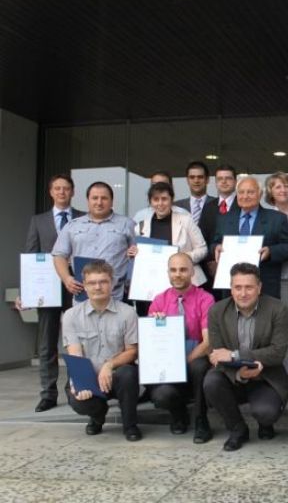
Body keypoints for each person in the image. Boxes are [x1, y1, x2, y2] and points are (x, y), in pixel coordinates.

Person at [203, 263, 288, 451]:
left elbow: (277, 352)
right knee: (211, 382)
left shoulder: (278, 309)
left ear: (259, 288)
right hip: (232, 376)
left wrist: (234, 355)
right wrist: (239, 373)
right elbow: (217, 355)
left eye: (249, 287)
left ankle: (265, 423)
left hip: (266, 376)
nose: (243, 293)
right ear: (231, 288)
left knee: (266, 413)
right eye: (238, 287)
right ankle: (237, 429)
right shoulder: (217, 311)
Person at [18, 174, 84, 412]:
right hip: (46, 288)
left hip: (77, 285)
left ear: (73, 192)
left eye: (66, 188)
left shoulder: (83, 218)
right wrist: (26, 291)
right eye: (57, 188)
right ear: (51, 192)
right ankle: (48, 393)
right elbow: (31, 255)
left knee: (78, 340)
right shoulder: (38, 221)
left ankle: (75, 388)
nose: (62, 192)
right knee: (47, 343)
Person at [62, 261, 141, 441]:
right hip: (88, 374)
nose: (98, 287)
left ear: (112, 283)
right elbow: (75, 354)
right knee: (79, 401)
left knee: (129, 373)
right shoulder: (71, 316)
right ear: (84, 285)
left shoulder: (128, 313)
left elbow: (132, 352)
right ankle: (98, 416)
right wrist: (80, 383)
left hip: (117, 374)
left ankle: (130, 425)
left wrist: (109, 365)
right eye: (92, 283)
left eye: (103, 281)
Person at [146, 253, 215, 443]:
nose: (178, 274)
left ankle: (201, 420)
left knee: (199, 366)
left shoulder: (205, 299)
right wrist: (155, 326)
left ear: (192, 272)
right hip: (167, 365)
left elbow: (208, 342)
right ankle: (178, 414)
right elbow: (152, 343)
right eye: (173, 270)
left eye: (183, 270)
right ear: (168, 272)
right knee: (161, 395)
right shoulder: (159, 300)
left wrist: (184, 362)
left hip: (194, 359)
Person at [212, 175, 288, 300]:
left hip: (265, 285)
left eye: (250, 192)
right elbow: (214, 243)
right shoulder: (224, 219)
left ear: (260, 194)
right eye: (241, 192)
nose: (245, 196)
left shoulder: (277, 218)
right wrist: (216, 248)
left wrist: (271, 252)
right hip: (232, 286)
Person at [52, 181, 136, 301]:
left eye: (104, 198)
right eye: (95, 198)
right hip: (83, 296)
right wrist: (67, 278)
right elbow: (59, 255)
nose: (99, 202)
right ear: (88, 201)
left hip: (115, 296)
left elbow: (139, 255)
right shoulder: (72, 226)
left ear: (112, 201)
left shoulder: (127, 224)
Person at [135, 182, 208, 287]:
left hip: (186, 281)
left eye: (164, 199)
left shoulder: (186, 220)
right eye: (156, 199)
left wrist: (183, 258)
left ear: (171, 200)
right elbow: (138, 256)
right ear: (150, 202)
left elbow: (202, 249)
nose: (160, 203)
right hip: (154, 281)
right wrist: (133, 252)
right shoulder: (141, 226)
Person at [262, 171, 288, 338]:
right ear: (270, 191)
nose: (283, 190)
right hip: (277, 277)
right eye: (277, 187)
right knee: (281, 323)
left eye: (286, 186)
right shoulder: (265, 217)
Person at [174, 161, 216, 226]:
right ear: (187, 180)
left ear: (207, 180)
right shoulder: (176, 206)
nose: (196, 181)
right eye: (192, 177)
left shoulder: (217, 204)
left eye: (200, 177)